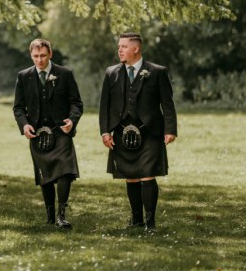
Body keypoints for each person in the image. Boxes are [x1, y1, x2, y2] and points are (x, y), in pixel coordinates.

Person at [99, 32, 177, 232]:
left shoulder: (157, 72)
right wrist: (105, 132)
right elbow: (104, 107)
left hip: (150, 132)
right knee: (131, 176)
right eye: (119, 47)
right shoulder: (111, 73)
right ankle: (136, 220)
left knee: (148, 176)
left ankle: (150, 223)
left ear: (136, 48)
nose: (120, 50)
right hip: (121, 133)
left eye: (124, 46)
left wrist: (170, 129)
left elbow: (167, 104)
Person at [13, 39, 83, 229]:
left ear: (50, 54)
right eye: (35, 56)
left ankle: (61, 215)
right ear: (31, 55)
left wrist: (72, 120)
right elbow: (18, 108)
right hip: (37, 133)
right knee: (45, 175)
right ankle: (50, 216)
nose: (39, 60)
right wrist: (25, 126)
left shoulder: (65, 74)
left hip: (61, 131)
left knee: (65, 171)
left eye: (43, 55)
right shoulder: (23, 76)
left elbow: (76, 103)